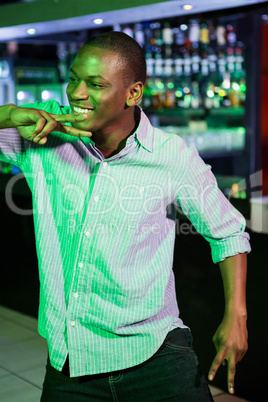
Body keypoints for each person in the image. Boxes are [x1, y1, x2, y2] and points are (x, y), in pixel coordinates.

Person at [0, 31, 250, 401]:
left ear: (133, 93)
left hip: (156, 357)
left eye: (95, 84)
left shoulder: (171, 156)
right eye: (73, 79)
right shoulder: (42, 137)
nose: (77, 93)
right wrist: (9, 113)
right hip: (72, 364)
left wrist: (236, 316)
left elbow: (228, 234)